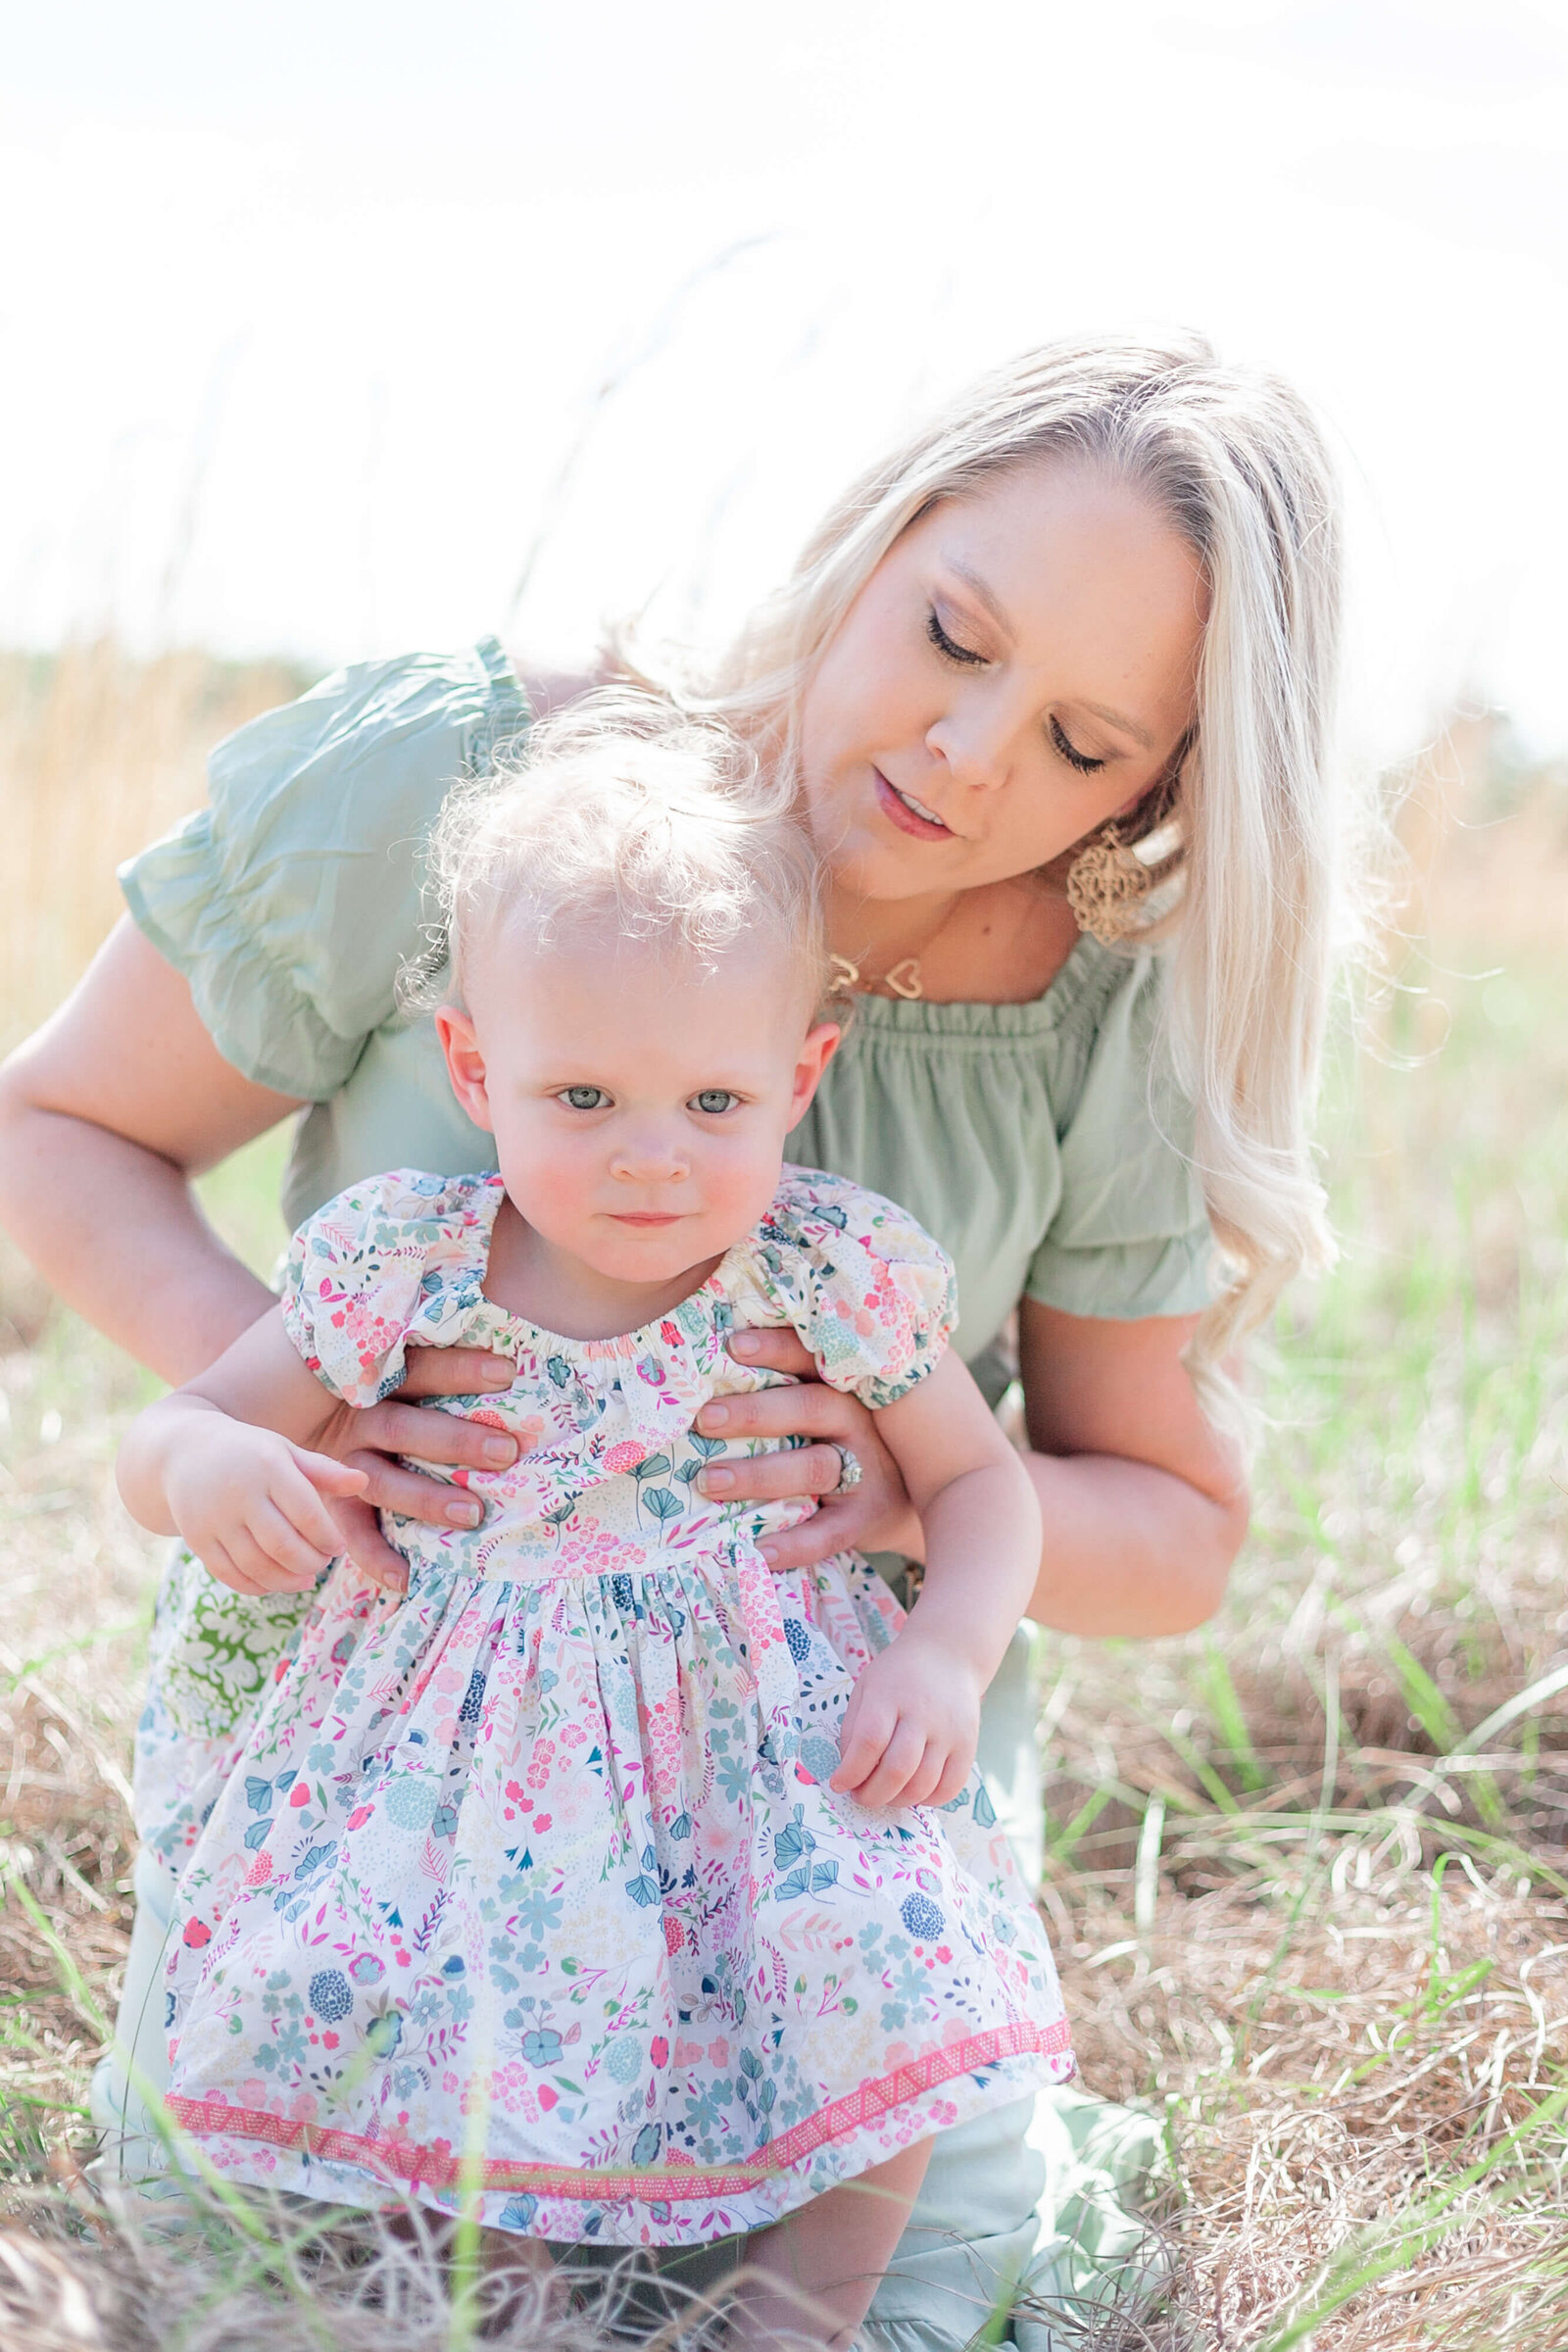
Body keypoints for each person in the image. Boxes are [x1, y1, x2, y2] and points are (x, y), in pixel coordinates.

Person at [0, 330, 1344, 2348]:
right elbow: (62, 1125)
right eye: (951, 633)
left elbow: (1171, 1530)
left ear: (1162, 780)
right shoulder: (462, 788)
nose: (968, 755)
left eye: (1084, 744)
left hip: (816, 1851)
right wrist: (314, 1401)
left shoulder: (1098, 1006)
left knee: (895, 2314)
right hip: (411, 1814)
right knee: (353, 2296)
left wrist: (922, 1499)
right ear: (877, 531)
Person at [114, 698, 1075, 2342]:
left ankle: (798, 2312)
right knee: (444, 2006)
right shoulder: (402, 1266)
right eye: (582, 1100)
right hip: (468, 1764)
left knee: (873, 1958)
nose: (652, 1160)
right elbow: (178, 1428)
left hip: (772, 1749)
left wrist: (947, 1647)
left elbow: (983, 1482)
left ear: (799, 1075)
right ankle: (513, 2300)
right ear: (476, 1073)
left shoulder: (826, 1270)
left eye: (713, 1105)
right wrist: (207, 1472)